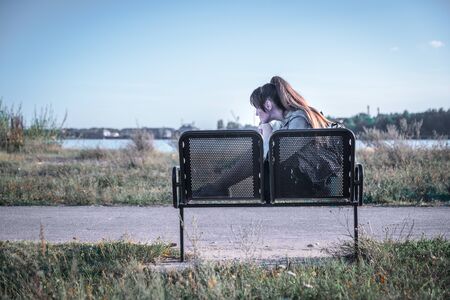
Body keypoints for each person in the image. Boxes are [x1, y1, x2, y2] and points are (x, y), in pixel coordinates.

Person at [196, 76, 338, 197]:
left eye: (257, 108)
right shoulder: (289, 121)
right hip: (305, 181)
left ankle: (216, 188)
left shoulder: (300, 120)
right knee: (254, 152)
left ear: (268, 105)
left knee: (256, 153)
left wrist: (267, 137)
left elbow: (275, 159)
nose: (256, 113)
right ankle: (217, 187)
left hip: (315, 186)